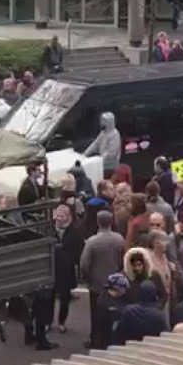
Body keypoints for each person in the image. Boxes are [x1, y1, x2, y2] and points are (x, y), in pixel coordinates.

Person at [80, 210, 126, 348]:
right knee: (114, 312)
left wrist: (88, 279)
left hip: (97, 284)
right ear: (112, 222)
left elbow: (84, 264)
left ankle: (95, 341)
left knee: (96, 314)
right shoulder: (119, 239)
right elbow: (123, 260)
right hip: (115, 284)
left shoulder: (92, 242)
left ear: (98, 222)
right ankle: (111, 339)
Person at [52, 205, 83, 334]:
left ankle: (61, 322)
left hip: (66, 270)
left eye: (62, 215)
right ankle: (48, 322)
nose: (59, 218)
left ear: (68, 216)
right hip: (51, 269)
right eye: (58, 215)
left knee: (65, 298)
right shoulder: (49, 229)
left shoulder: (74, 232)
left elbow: (79, 250)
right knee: (49, 298)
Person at [84, 112, 122, 178]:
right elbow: (96, 144)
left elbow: (111, 153)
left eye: (103, 121)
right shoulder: (103, 132)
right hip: (102, 165)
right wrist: (85, 153)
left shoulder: (114, 134)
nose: (101, 122)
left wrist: (100, 160)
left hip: (110, 167)